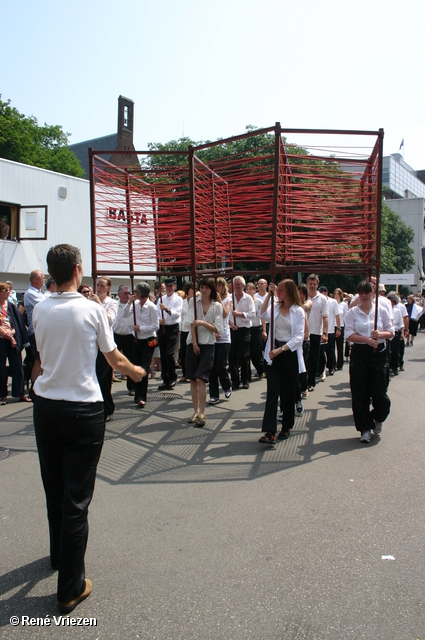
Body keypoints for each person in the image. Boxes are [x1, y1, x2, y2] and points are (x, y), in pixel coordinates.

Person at [32, 244, 145, 613]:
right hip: (82, 407)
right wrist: (136, 372)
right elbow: (115, 358)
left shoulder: (38, 308)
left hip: (46, 405)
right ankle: (70, 586)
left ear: (52, 272)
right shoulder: (92, 309)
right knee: (77, 498)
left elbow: (41, 357)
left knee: (55, 486)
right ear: (78, 270)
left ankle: (58, 557)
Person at [344, 280, 394, 443]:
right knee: (360, 392)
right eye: (361, 293)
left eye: (367, 292)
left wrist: (380, 335)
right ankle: (365, 428)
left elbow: (391, 331)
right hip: (360, 353)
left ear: (373, 293)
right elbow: (349, 335)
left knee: (380, 392)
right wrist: (366, 339)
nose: (364, 295)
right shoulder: (352, 313)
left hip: (378, 352)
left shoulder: (382, 310)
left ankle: (377, 417)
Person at [258, 280, 305, 444]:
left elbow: (299, 337)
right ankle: (270, 431)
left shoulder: (298, 311)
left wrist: (282, 349)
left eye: (281, 290)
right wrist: (268, 296)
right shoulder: (275, 307)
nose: (278, 292)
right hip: (273, 353)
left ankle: (286, 426)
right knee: (272, 391)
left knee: (288, 392)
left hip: (288, 353)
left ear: (290, 292)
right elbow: (262, 314)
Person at [186, 278, 223, 427]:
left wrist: (203, 323)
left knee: (201, 378)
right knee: (193, 379)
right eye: (202, 287)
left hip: (208, 344)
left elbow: (218, 328)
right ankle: (195, 412)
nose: (204, 290)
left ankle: (202, 412)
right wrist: (194, 343)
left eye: (207, 287)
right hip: (193, 342)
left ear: (211, 289)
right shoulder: (194, 302)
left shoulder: (217, 306)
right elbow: (191, 324)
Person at [123, 282, 159, 408]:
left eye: (136, 292)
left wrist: (141, 328)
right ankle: (137, 394)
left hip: (149, 339)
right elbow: (125, 314)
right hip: (137, 339)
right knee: (136, 365)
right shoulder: (135, 304)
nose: (134, 294)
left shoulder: (152, 307)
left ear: (140, 293)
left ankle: (142, 396)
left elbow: (156, 326)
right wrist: (129, 303)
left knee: (144, 366)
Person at [0, 282, 31, 405]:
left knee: (18, 366)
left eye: (8, 290)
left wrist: (13, 334)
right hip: (1, 339)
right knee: (1, 368)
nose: (8, 292)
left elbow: (17, 322)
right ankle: (3, 395)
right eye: (5, 290)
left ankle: (20, 393)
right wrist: (6, 334)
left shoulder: (11, 306)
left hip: (13, 338)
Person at [93, 277, 118, 420]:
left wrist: (98, 304)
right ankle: (99, 406)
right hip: (92, 344)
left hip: (106, 344)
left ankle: (108, 408)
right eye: (98, 285)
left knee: (103, 377)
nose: (99, 288)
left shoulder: (112, 302)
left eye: (102, 285)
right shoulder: (90, 302)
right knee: (94, 376)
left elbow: (110, 320)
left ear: (108, 288)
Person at [229, 276, 256, 390]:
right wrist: (231, 323)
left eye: (239, 284)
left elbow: (252, 314)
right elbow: (225, 314)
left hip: (244, 329)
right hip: (233, 329)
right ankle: (235, 380)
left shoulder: (248, 299)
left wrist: (240, 314)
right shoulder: (230, 298)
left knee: (244, 355)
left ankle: (245, 379)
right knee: (232, 356)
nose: (237, 286)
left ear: (243, 286)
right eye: (235, 284)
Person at [208, 277, 232, 404]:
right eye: (215, 285)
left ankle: (227, 385)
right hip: (212, 336)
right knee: (212, 368)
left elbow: (224, 314)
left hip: (224, 338)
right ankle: (214, 395)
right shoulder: (210, 301)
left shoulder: (228, 299)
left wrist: (219, 300)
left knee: (220, 366)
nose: (217, 287)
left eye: (219, 285)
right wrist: (214, 331)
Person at [157, 277, 183, 390]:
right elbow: (157, 313)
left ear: (174, 287)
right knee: (163, 354)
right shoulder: (160, 299)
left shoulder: (178, 299)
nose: (169, 288)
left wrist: (167, 309)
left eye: (171, 286)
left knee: (169, 353)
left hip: (172, 328)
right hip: (162, 327)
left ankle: (172, 377)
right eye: (167, 286)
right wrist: (159, 320)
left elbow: (177, 314)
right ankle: (165, 379)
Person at [306, 274, 328, 391]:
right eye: (310, 283)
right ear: (307, 284)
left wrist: (325, 333)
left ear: (317, 285)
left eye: (314, 284)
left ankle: (311, 382)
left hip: (316, 332)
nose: (312, 286)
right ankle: (303, 381)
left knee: (314, 358)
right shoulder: (302, 296)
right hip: (303, 333)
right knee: (304, 358)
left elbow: (325, 317)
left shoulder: (322, 299)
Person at [24, 270, 46, 386]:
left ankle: (40, 386)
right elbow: (45, 305)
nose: (44, 280)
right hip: (36, 332)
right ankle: (35, 388)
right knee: (38, 360)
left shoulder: (40, 293)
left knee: (43, 360)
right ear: (37, 279)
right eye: (43, 277)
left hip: (43, 331)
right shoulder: (30, 293)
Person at [114, 284, 136, 394]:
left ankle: (131, 386)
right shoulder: (114, 304)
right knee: (112, 360)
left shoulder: (132, 305)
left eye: (129, 293)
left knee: (130, 361)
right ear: (119, 295)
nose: (128, 295)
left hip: (129, 336)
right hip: (116, 335)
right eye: (125, 293)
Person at [246, 282, 265, 380]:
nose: (248, 291)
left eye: (250, 289)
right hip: (247, 328)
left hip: (257, 328)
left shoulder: (259, 302)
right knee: (246, 353)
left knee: (256, 352)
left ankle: (260, 369)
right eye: (247, 289)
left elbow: (262, 317)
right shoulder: (244, 301)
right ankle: (247, 375)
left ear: (254, 290)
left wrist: (264, 330)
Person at [179, 283, 194, 383]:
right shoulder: (183, 302)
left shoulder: (197, 301)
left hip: (193, 329)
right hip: (184, 329)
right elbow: (181, 316)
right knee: (183, 352)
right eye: (191, 288)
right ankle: (185, 373)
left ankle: (192, 373)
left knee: (192, 352)